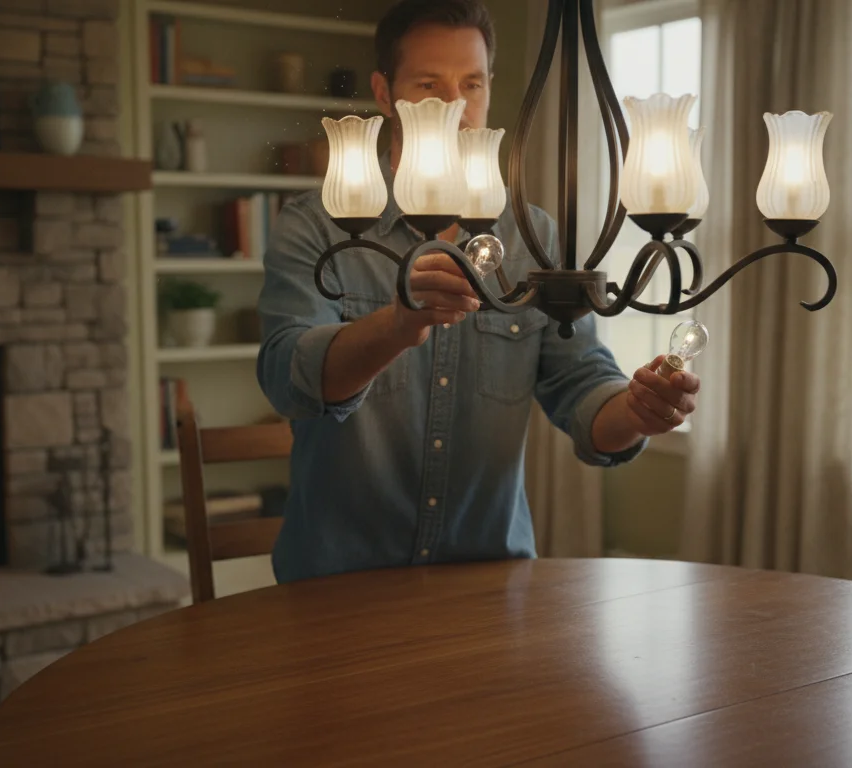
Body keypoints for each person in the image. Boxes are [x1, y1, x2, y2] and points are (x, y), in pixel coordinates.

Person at [256, 0, 700, 583]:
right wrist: (397, 324)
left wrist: (638, 411)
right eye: (428, 85)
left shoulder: (532, 237)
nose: (456, 108)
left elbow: (581, 385)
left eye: (472, 83)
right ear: (384, 93)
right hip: (337, 584)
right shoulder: (317, 227)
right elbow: (287, 377)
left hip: (492, 586)